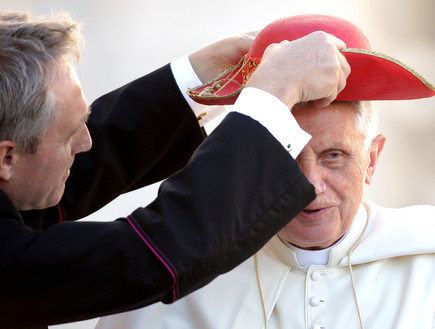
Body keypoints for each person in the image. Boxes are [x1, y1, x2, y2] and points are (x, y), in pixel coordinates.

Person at [0, 11, 352, 329]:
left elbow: (85, 163)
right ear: (7, 158)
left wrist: (197, 82)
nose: (86, 144)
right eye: (69, 134)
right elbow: (150, 254)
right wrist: (273, 97)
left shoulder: (18, 166)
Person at [96, 15, 435, 329]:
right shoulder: (172, 277)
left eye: (334, 156)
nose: (311, 186)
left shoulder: (426, 258)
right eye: (286, 157)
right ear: (252, 161)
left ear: (372, 160)